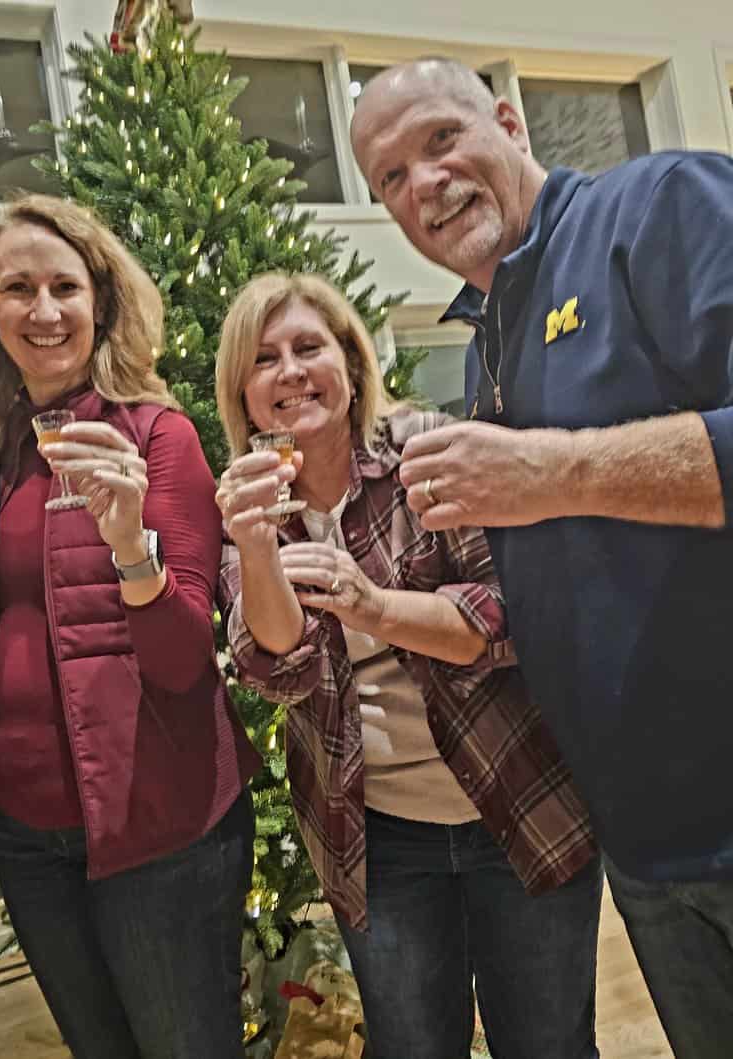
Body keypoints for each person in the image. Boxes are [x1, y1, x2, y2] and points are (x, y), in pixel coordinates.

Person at [351, 57, 733, 1056]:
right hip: (649, 852)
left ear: (510, 124)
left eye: (440, 139)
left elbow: (560, 483)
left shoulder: (659, 207)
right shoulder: (488, 342)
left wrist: (556, 473)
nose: (422, 183)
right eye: (388, 176)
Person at [214, 271, 601, 1059]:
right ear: (243, 397)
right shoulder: (251, 504)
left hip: (517, 803)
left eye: (307, 347)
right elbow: (275, 669)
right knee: (413, 1045)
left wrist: (375, 606)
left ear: (351, 365)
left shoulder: (427, 451)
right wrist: (255, 546)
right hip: (378, 839)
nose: (289, 371)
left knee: (550, 1042)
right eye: (264, 359)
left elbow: (507, 616)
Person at [0, 193, 259, 1059]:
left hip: (158, 826)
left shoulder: (159, 438)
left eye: (65, 286)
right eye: (17, 288)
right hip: (26, 832)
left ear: (101, 302)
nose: (44, 311)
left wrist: (130, 542)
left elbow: (177, 660)